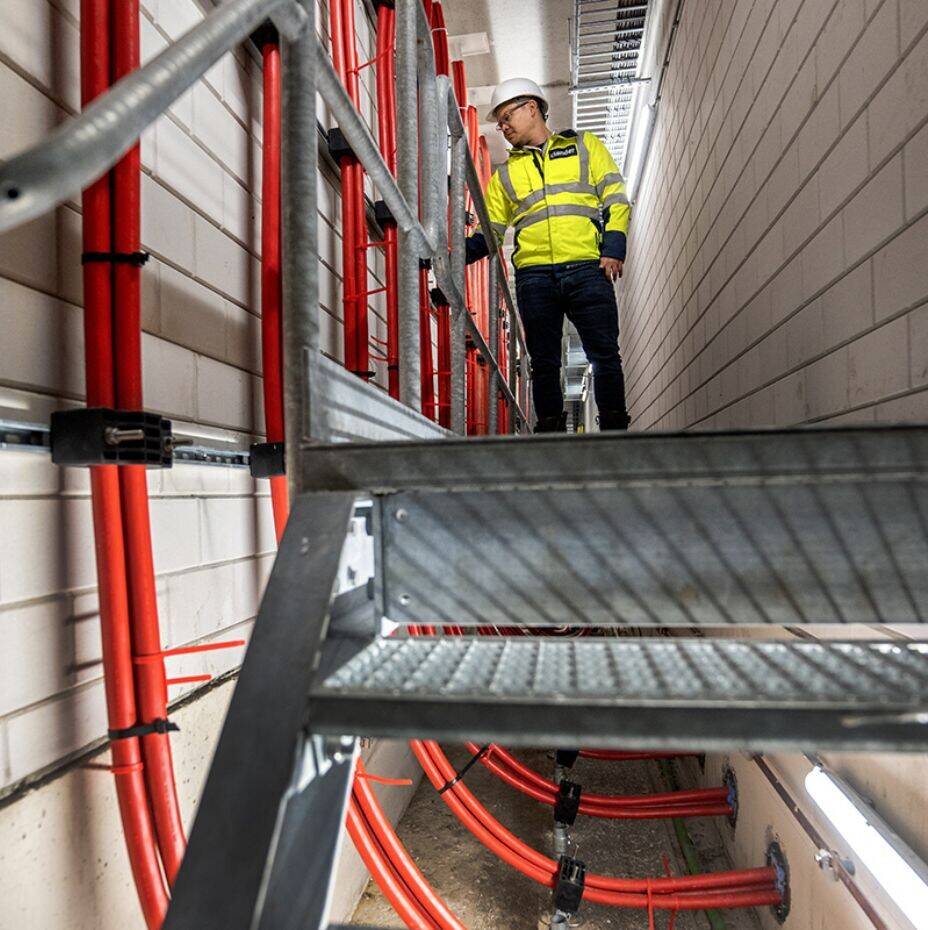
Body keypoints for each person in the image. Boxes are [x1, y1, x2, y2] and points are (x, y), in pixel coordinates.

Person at [466, 77, 631, 432]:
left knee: (603, 353)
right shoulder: (505, 175)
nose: (503, 126)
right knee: (543, 361)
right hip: (536, 277)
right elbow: (489, 234)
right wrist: (450, 255)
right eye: (499, 122)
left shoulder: (584, 146)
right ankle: (551, 431)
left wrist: (613, 247)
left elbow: (616, 198)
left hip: (588, 267)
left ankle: (615, 430)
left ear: (532, 108)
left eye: (507, 116)